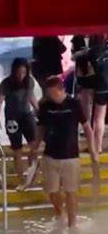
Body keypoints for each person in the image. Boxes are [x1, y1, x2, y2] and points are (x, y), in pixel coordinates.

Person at [33, 76, 98, 228]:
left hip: (70, 156)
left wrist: (93, 150)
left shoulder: (74, 104)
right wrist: (34, 148)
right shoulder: (45, 106)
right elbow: (41, 128)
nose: (51, 97)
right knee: (52, 192)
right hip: (50, 155)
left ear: (62, 90)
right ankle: (59, 213)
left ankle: (72, 223)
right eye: (48, 94)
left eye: (53, 94)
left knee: (71, 191)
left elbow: (87, 128)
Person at [0, 58, 39, 190]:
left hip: (27, 115)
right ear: (14, 71)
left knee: (34, 146)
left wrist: (38, 110)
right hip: (12, 118)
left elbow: (31, 97)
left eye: (24, 72)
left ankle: (32, 173)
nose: (21, 75)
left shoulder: (29, 81)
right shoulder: (6, 83)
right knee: (17, 149)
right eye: (19, 72)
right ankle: (21, 178)